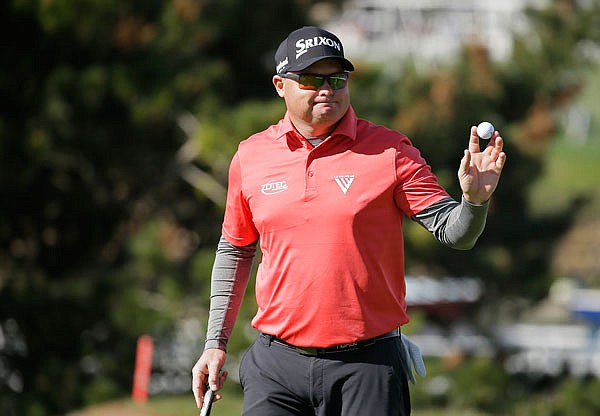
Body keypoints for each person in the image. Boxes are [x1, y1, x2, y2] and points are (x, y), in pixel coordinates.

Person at [191, 26, 506, 415]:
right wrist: (214, 344)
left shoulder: (390, 150)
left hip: (368, 365)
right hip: (276, 366)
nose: (327, 88)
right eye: (311, 78)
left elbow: (455, 233)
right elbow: (235, 251)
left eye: (337, 78)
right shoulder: (251, 156)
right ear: (280, 85)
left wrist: (474, 202)